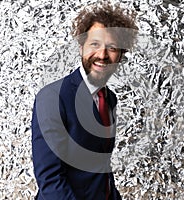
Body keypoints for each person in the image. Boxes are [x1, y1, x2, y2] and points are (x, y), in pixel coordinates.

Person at [31, 2, 138, 200]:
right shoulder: (53, 97)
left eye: (112, 47)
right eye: (94, 44)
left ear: (121, 54)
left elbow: (101, 169)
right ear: (81, 47)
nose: (102, 55)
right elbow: (50, 179)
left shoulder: (110, 99)